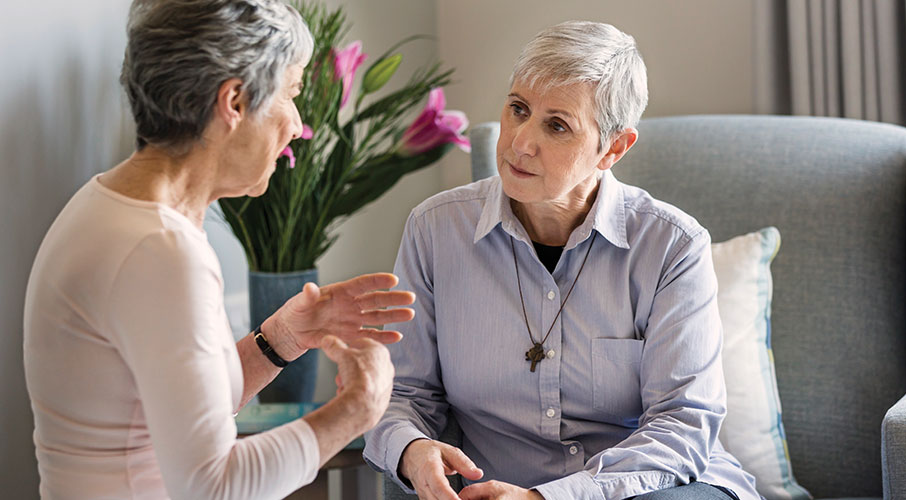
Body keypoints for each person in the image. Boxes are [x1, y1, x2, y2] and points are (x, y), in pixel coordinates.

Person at [22, 1, 413, 498]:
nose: (296, 125)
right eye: (291, 95)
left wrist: (282, 337)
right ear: (233, 101)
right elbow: (214, 486)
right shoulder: (159, 249)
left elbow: (165, 414)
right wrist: (359, 407)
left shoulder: (111, 206)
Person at [364, 21, 764, 500]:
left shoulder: (672, 247)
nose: (520, 143)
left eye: (557, 125)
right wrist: (411, 447)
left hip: (648, 490)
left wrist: (548, 498)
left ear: (614, 147)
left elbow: (682, 425)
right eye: (518, 109)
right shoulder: (435, 230)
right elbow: (404, 394)